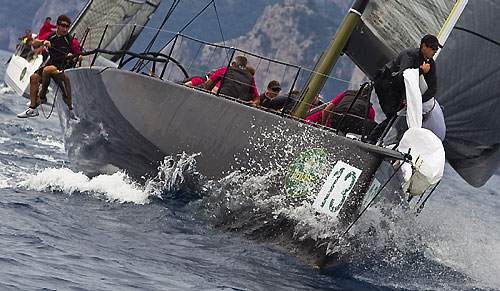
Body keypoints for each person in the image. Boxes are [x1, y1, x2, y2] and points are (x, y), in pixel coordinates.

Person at [368, 34, 442, 143]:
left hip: (398, 87)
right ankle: (372, 139)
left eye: (436, 49)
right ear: (424, 46)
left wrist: (416, 100)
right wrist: (421, 71)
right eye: (433, 48)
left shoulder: (430, 64)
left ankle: (382, 140)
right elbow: (402, 77)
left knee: (397, 115)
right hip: (386, 82)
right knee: (393, 113)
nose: (435, 51)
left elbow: (433, 89)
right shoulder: (409, 55)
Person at [17, 14, 81, 119]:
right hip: (52, 63)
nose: (65, 29)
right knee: (33, 78)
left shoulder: (71, 41)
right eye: (63, 26)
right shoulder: (50, 36)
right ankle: (33, 109)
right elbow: (34, 42)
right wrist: (43, 42)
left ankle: (42, 96)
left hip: (63, 66)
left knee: (47, 69)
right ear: (57, 25)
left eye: (67, 27)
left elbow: (80, 57)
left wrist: (73, 56)